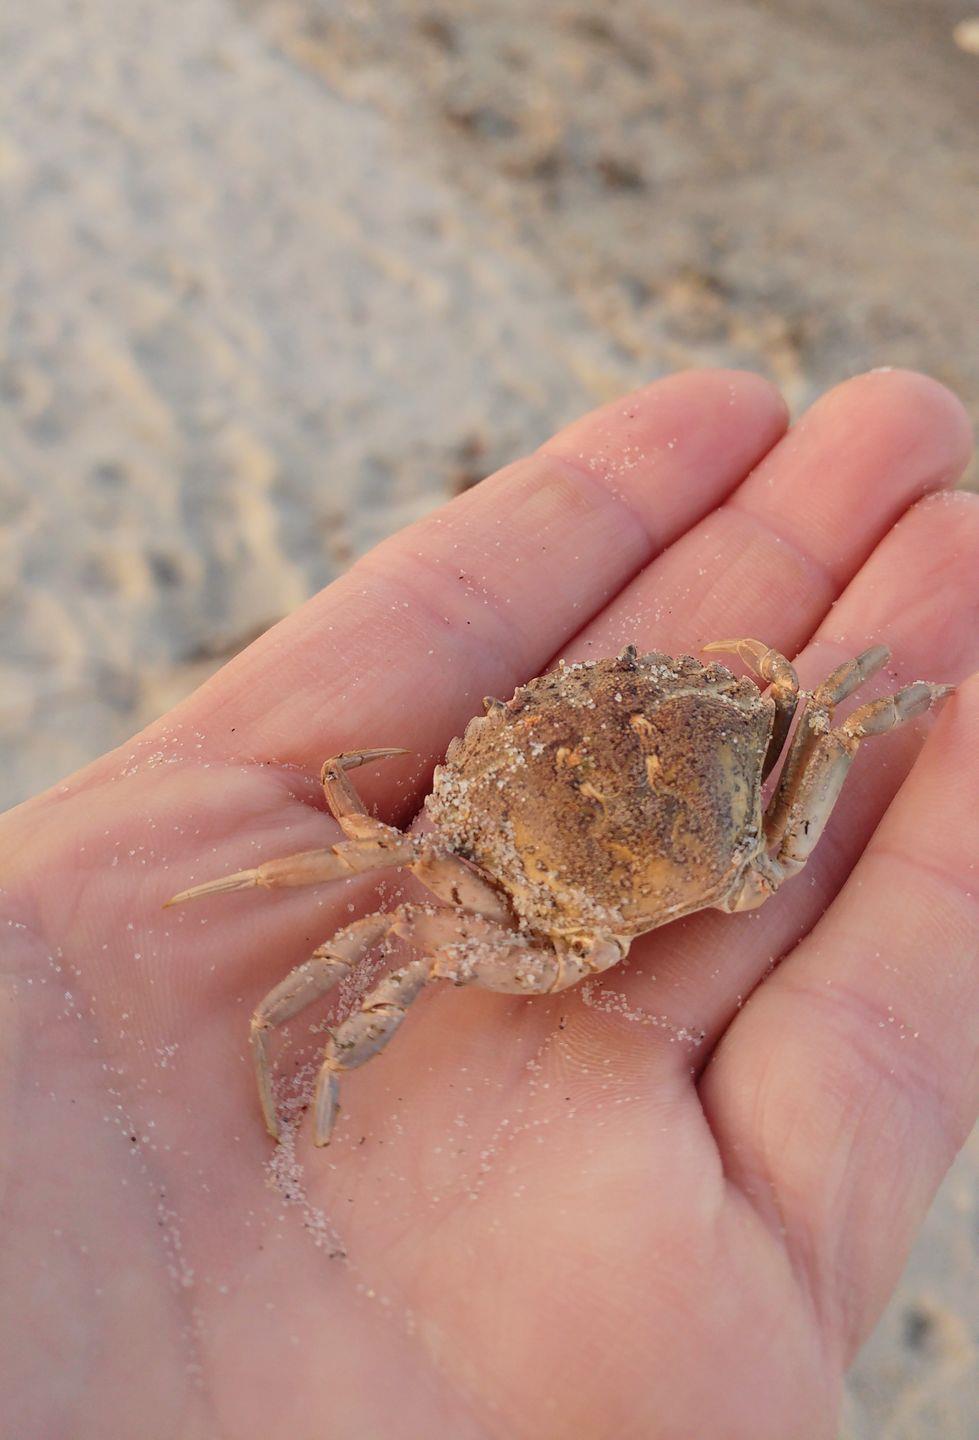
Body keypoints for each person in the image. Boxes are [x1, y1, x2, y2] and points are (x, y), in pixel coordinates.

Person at [1, 368, 976, 1440]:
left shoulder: (500, 895)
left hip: (562, 923)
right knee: (833, 717)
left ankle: (311, 1101)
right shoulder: (759, 802)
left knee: (397, 932)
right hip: (708, 868)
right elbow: (820, 709)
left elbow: (373, 847)